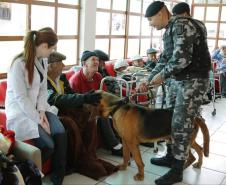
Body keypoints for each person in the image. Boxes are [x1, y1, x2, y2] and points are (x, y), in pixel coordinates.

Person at [140, 1, 211, 184]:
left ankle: (177, 170)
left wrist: (161, 77)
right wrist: (149, 80)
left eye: (150, 19)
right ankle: (172, 156)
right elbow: (165, 58)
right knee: (168, 118)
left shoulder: (181, 25)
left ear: (161, 13)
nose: (150, 24)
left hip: (193, 81)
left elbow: (181, 59)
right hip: (180, 80)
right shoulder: (170, 30)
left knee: (181, 123)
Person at [5, 27, 67, 185]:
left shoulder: (43, 61)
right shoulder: (17, 64)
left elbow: (42, 90)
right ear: (44, 46)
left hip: (38, 109)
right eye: (52, 48)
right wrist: (40, 120)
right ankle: (28, 173)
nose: (52, 51)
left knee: (60, 132)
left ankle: (57, 178)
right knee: (48, 145)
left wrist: (41, 112)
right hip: (21, 112)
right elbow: (21, 98)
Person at [47, 51, 118, 179]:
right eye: (60, 63)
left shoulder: (62, 78)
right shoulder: (44, 81)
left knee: (90, 115)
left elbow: (71, 94)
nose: (63, 66)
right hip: (52, 113)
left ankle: (89, 155)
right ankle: (76, 161)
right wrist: (84, 98)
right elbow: (56, 99)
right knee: (71, 123)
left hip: (68, 110)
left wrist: (87, 101)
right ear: (50, 66)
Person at [69, 50, 123, 157]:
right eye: (93, 59)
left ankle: (124, 139)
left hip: (96, 106)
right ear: (84, 64)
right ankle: (115, 145)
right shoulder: (75, 80)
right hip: (80, 111)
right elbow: (74, 104)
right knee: (103, 113)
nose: (97, 62)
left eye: (97, 60)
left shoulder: (98, 76)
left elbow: (104, 94)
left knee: (118, 108)